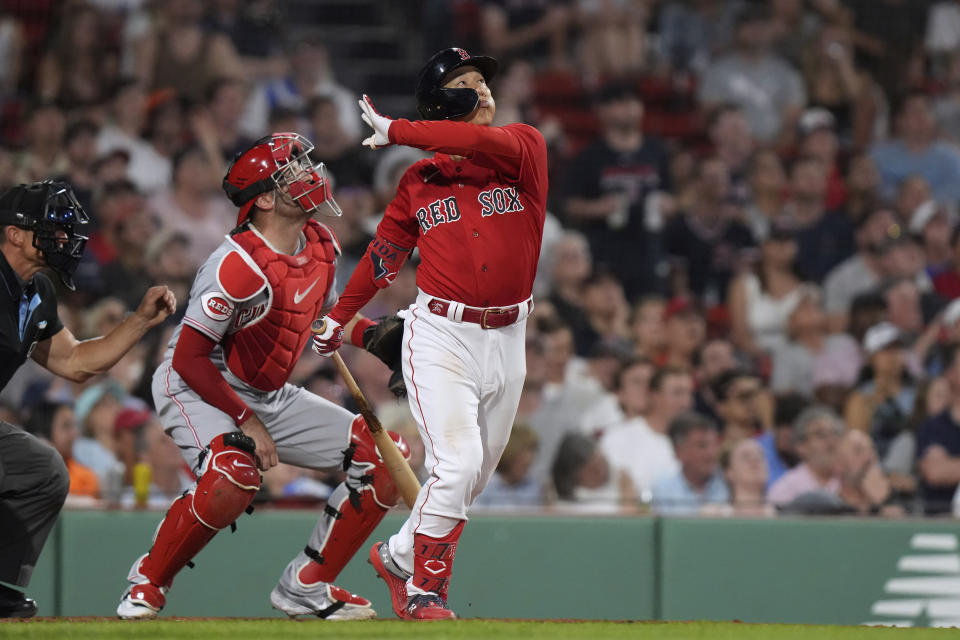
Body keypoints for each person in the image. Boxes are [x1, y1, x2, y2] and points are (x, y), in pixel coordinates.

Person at [115, 133, 409, 620]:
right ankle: (147, 581)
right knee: (234, 475)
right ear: (267, 197)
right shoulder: (235, 266)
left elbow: (326, 316)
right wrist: (247, 421)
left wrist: (377, 338)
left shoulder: (321, 244)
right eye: (293, 171)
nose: (311, 174)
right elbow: (189, 357)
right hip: (196, 383)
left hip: (267, 391)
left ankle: (307, 587)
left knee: (385, 457)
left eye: (305, 164)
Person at [314, 48, 548, 620]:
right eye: (467, 83)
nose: (483, 91)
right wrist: (339, 315)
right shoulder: (418, 182)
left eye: (484, 81)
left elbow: (476, 143)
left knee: (471, 479)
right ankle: (424, 590)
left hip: (509, 336)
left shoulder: (522, 149)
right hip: (440, 333)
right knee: (460, 463)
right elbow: (384, 257)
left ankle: (397, 555)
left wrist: (397, 130)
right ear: (441, 101)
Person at [0, 180, 176, 618]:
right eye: (49, 228)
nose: (62, 239)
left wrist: (138, 322)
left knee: (40, 469)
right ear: (14, 234)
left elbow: (76, 361)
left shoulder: (35, 293)